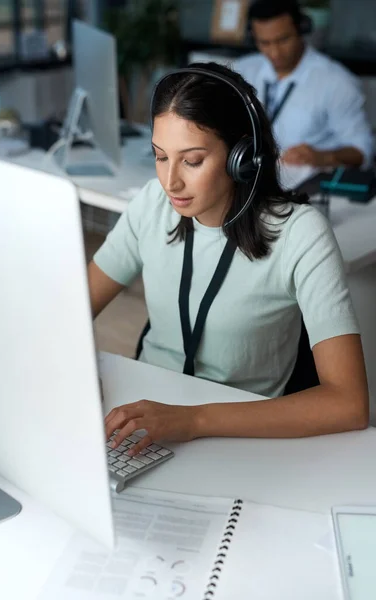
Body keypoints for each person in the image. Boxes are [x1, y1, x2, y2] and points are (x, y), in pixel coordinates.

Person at [88, 62, 368, 455]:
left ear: (243, 157)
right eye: (160, 156)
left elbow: (349, 404)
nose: (171, 182)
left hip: (239, 436)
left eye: (192, 160)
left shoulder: (301, 234)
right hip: (143, 419)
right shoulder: (152, 203)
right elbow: (73, 310)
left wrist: (193, 420)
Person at [233, 0, 374, 169]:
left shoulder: (337, 81)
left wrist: (323, 156)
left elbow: (362, 150)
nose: (275, 52)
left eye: (283, 39)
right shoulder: (241, 70)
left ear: (302, 29)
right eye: (265, 43)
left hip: (307, 185)